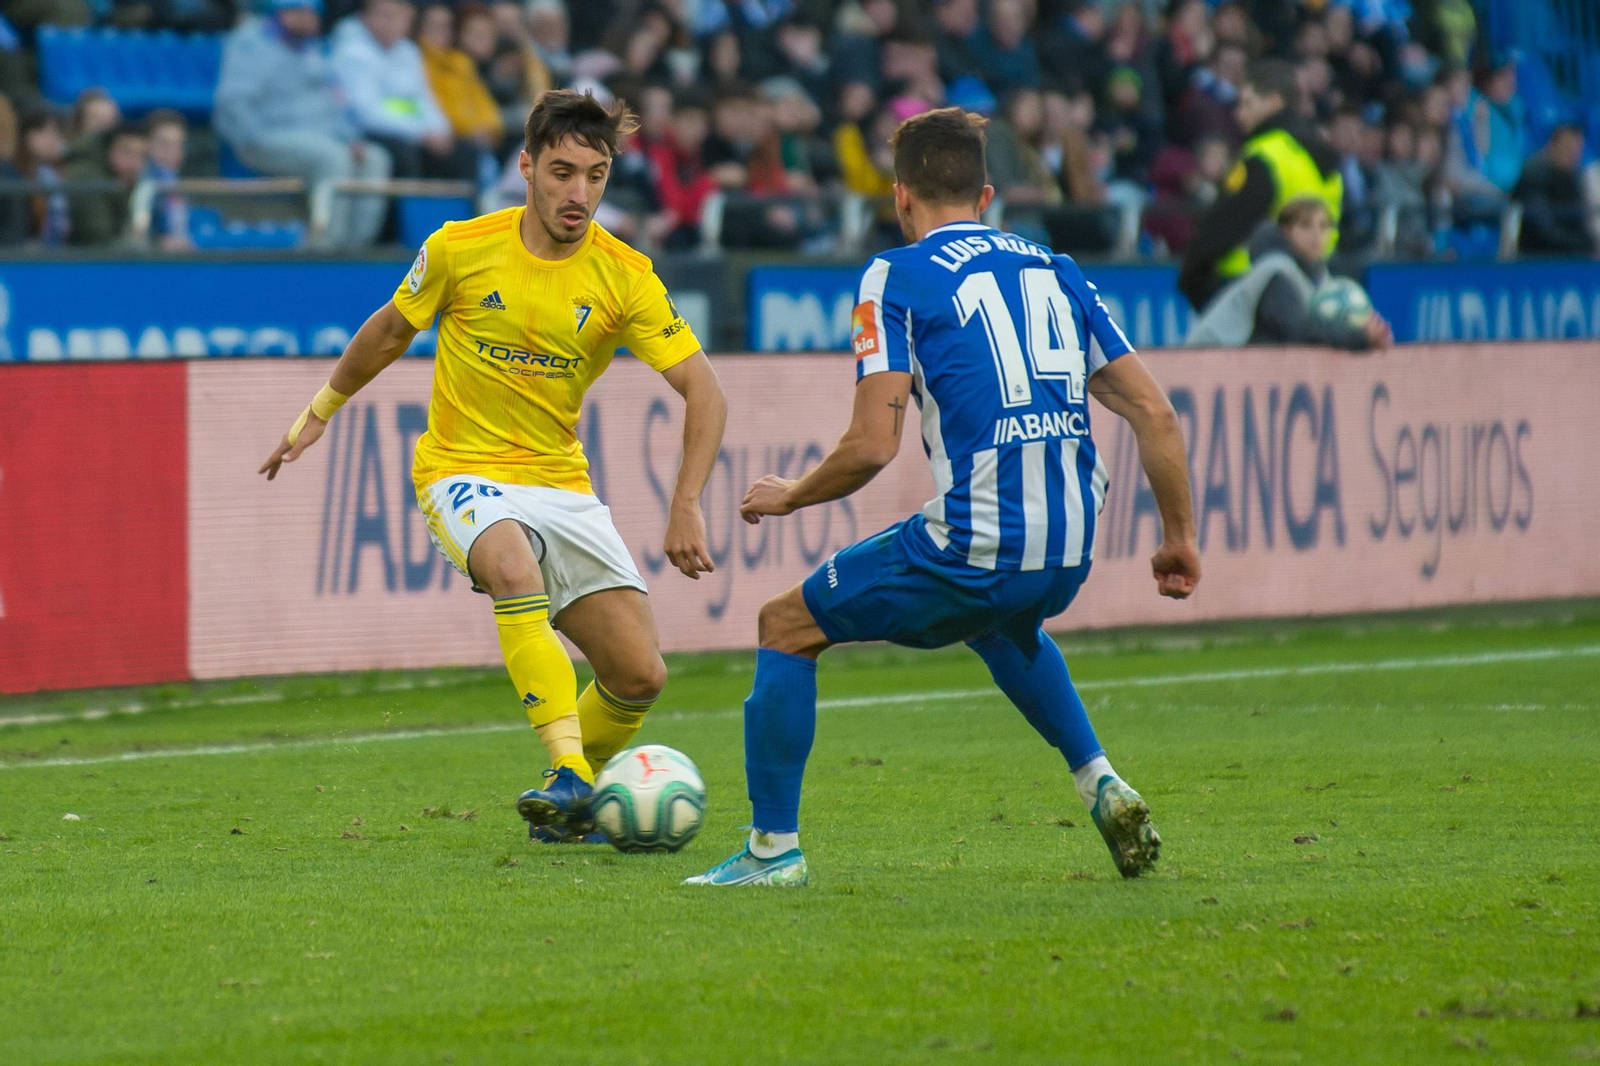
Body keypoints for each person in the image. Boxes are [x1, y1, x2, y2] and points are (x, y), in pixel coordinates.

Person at [686, 106, 1200, 888]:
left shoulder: (895, 274)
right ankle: (1101, 783)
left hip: (980, 541)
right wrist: (1179, 537)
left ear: (900, 198)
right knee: (999, 624)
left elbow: (871, 445)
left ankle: (771, 851)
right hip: (1071, 544)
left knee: (784, 624)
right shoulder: (1057, 269)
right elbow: (1155, 414)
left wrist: (792, 496)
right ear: (987, 196)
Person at [258, 90, 728, 843]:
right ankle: (569, 768)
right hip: (460, 468)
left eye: (596, 176)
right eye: (562, 173)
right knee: (514, 567)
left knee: (640, 675)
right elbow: (389, 330)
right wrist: (321, 410)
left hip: (560, 481)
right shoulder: (460, 248)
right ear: (527, 167)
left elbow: (704, 390)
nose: (579, 195)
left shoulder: (627, 275)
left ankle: (568, 806)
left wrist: (686, 503)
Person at [213, 0, 392, 249]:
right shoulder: (252, 42)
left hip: (320, 138)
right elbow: (232, 101)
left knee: (375, 159)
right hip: (267, 136)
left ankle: (357, 247)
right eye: (306, 13)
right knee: (333, 158)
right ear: (286, 12)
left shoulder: (312, 49)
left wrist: (350, 139)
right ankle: (326, 246)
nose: (313, 20)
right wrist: (252, 139)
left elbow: (334, 103)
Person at [1179, 59, 1341, 311]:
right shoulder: (1323, 157)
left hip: (1250, 285)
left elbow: (1224, 224)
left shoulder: (1265, 155)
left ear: (1273, 103)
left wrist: (1192, 276)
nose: (1239, 113)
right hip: (1312, 282)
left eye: (1247, 103)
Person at [1185, 198, 1392, 351]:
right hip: (1208, 362)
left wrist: (1372, 334)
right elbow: (1300, 332)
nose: (1316, 235)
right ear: (1286, 231)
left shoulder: (1321, 278)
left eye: (1323, 226)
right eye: (1305, 225)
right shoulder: (1275, 271)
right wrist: (1359, 337)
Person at [331, 0, 478, 180]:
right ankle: (406, 200)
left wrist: (439, 130)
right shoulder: (352, 52)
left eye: (398, 16)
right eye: (385, 15)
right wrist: (420, 133)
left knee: (465, 152)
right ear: (365, 17)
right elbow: (366, 113)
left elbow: (424, 99)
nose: (392, 23)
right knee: (404, 154)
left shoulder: (408, 51)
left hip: (411, 131)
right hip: (365, 133)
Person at [1514, 124, 1595, 256]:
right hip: (1536, 256)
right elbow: (1543, 228)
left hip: (1568, 253)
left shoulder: (1570, 177)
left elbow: (1578, 220)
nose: (1573, 155)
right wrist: (1582, 245)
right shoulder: (1534, 174)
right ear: (1552, 145)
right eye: (1568, 148)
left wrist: (1589, 243)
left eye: (1577, 150)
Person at [64, 119, 147, 246]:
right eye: (126, 152)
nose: (134, 162)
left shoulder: (137, 184)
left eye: (141, 155)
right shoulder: (87, 177)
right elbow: (98, 236)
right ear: (108, 150)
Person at [142, 108, 192, 250]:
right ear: (146, 144)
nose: (172, 151)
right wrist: (156, 243)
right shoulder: (139, 184)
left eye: (178, 144)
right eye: (164, 143)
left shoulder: (183, 184)